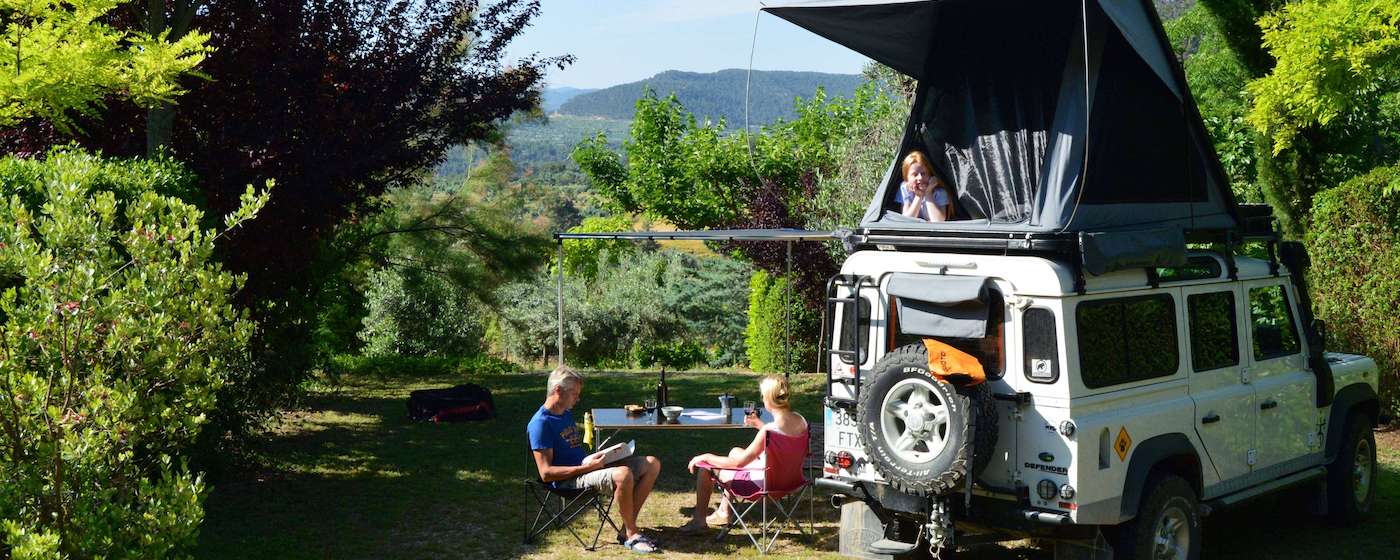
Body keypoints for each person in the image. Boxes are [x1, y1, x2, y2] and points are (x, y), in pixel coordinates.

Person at [527, 366, 663, 553]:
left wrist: (596, 458)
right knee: (623, 475)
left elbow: (573, 452)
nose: (578, 398)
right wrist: (588, 467)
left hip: (586, 467)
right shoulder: (540, 424)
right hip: (568, 482)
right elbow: (546, 474)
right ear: (558, 391)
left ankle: (625, 529)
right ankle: (632, 535)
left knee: (651, 464)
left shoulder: (565, 414)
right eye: (574, 393)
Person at [680, 375, 809, 534]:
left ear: (767, 399)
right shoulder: (801, 421)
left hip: (764, 486)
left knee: (706, 468)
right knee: (735, 451)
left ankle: (699, 521)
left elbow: (739, 464)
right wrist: (760, 425)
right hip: (790, 481)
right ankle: (724, 512)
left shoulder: (768, 430)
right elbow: (781, 438)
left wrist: (705, 457)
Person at [897, 149, 954, 222]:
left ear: (930, 174)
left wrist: (928, 193)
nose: (920, 178)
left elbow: (938, 221)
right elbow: (906, 220)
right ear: (907, 178)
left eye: (923, 173)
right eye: (915, 174)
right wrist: (918, 196)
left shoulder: (940, 192)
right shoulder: (905, 189)